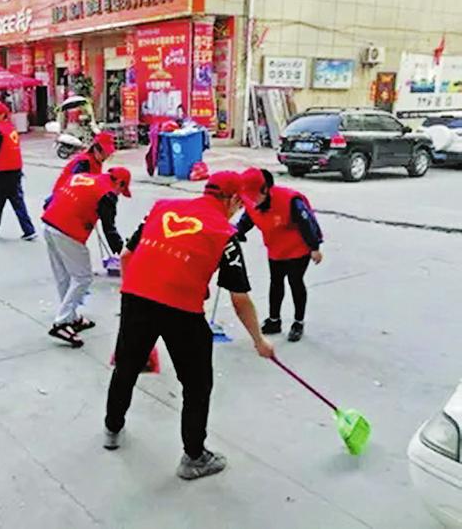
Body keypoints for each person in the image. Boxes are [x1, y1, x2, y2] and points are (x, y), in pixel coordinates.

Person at [104, 171, 275, 480]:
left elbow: (127, 255)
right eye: (239, 205)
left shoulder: (162, 209)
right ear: (232, 200)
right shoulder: (225, 234)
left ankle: (112, 428)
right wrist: (259, 340)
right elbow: (239, 299)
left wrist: (132, 296)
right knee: (197, 385)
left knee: (126, 366)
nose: (238, 211)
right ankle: (194, 457)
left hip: (136, 298)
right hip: (181, 311)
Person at [42, 167, 132, 347]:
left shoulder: (83, 177)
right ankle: (61, 323)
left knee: (64, 276)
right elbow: (109, 229)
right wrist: (124, 252)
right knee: (83, 277)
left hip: (49, 223)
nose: (119, 195)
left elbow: (55, 197)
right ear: (119, 183)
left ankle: (71, 317)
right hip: (67, 231)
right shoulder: (107, 194)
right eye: (122, 191)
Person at [237, 168, 323, 342]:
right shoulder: (252, 201)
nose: (251, 200)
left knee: (295, 282)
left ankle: (298, 323)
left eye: (254, 195)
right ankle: (274, 320)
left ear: (265, 189)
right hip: (275, 248)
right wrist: (238, 232)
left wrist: (314, 247)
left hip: (297, 248)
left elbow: (307, 223)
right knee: (276, 282)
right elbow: (249, 218)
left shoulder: (290, 201)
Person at [0, 101, 37, 240]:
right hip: (15, 169)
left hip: (5, 171)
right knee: (13, 201)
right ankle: (27, 230)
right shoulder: (11, 128)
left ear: (2, 115)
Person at [51, 132, 116, 194]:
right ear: (96, 148)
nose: (106, 156)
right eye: (104, 153)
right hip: (63, 195)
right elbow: (76, 186)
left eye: (108, 154)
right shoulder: (84, 162)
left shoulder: (96, 161)